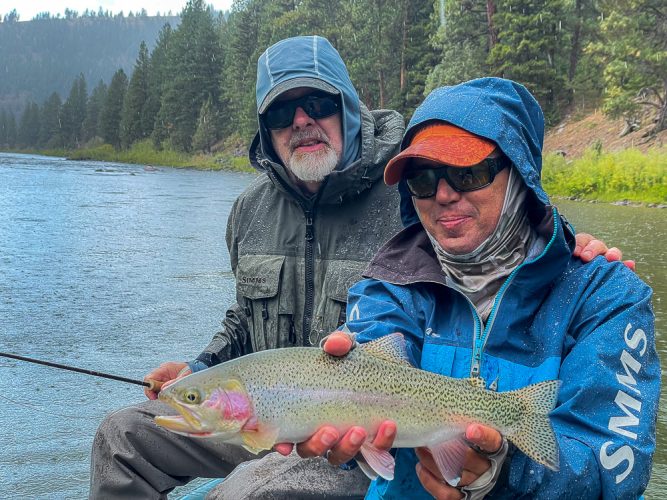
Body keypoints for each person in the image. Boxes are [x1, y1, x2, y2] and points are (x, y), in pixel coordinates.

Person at [89, 35, 630, 499]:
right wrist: (198, 371)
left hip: (347, 420)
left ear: (348, 106)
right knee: (120, 436)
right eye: (282, 113)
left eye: (318, 105)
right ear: (265, 129)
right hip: (270, 410)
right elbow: (242, 317)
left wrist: (563, 243)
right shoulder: (251, 209)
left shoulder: (403, 207)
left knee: (252, 487)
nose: (441, 196)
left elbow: (500, 225)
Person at [293, 77, 659, 499]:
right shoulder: (388, 285)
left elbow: (615, 473)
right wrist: (346, 411)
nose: (443, 194)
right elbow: (375, 353)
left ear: (519, 173)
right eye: (423, 179)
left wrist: (504, 471)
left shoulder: (606, 296)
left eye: (468, 173)